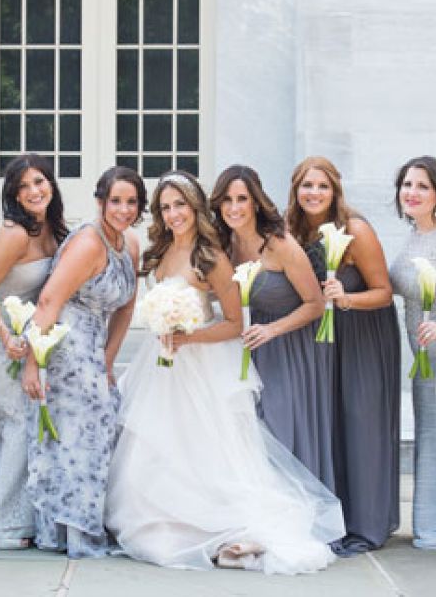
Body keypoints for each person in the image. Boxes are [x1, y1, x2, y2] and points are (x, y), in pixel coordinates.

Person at [106, 171, 344, 575]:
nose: (174, 213)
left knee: (208, 452)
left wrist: (189, 338)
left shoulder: (211, 257)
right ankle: (166, 517)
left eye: (180, 204)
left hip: (200, 362)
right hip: (160, 363)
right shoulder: (159, 252)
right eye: (166, 207)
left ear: (196, 207)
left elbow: (234, 323)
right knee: (159, 445)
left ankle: (226, 527)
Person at [21, 166, 144, 558]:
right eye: (116, 201)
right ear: (100, 202)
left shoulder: (131, 245)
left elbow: (126, 308)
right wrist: (32, 362)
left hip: (94, 344)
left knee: (96, 432)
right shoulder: (89, 243)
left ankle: (82, 527)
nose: (124, 210)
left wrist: (108, 360)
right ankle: (69, 533)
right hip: (65, 342)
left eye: (131, 202)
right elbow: (48, 301)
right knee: (77, 436)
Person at [286, 156, 400, 554]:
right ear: (295, 190)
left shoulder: (356, 230)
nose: (313, 193)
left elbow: (383, 291)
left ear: (335, 191)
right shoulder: (292, 232)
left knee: (359, 422)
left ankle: (366, 523)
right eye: (306, 185)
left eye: (322, 186)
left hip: (363, 337)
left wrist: (346, 299)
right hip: (318, 343)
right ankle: (331, 518)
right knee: (328, 424)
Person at [0, 153, 68, 549]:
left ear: (51, 184)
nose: (33, 191)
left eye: (39, 182)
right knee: (17, 419)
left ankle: (8, 513)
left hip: (24, 338)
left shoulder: (52, 230)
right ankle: (3, 524)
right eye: (23, 187)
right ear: (14, 195)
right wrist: (5, 337)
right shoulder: (15, 233)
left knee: (15, 419)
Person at [210, 165, 335, 490]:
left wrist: (272, 330)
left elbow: (316, 304)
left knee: (280, 431)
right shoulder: (226, 244)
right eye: (227, 200)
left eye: (242, 199)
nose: (234, 208)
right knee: (250, 434)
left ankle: (298, 517)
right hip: (248, 347)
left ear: (256, 202)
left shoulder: (280, 245)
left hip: (289, 347)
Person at [390, 155, 436, 549]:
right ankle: (430, 526)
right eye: (408, 184)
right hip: (424, 360)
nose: (412, 192)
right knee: (430, 435)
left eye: (423, 186)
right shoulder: (412, 236)